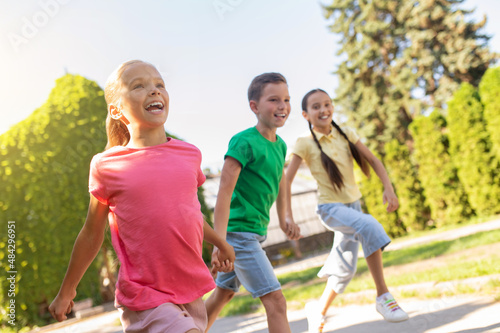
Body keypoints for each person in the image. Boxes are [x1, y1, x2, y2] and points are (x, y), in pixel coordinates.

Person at [48, 60, 235, 333]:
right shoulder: (106, 166)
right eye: (139, 86)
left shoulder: (189, 154)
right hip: (143, 294)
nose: (154, 91)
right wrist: (67, 291)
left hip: (188, 288)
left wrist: (220, 242)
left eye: (160, 85)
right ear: (117, 110)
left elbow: (188, 214)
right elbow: (91, 234)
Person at [285, 89, 409, 333]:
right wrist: (288, 216)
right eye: (316, 107)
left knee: (345, 268)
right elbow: (286, 182)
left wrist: (389, 189)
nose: (324, 110)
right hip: (330, 208)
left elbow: (374, 161)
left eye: (327, 104)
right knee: (370, 226)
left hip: (353, 205)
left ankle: (317, 311)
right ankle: (383, 296)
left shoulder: (346, 134)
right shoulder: (304, 143)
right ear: (305, 114)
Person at [204, 72, 302, 333]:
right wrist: (220, 242)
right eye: (274, 99)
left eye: (286, 99)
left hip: (252, 234)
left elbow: (281, 182)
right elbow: (224, 193)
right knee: (276, 301)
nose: (282, 106)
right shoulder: (243, 142)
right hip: (238, 235)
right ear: (254, 107)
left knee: (223, 294)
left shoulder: (280, 146)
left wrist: (285, 218)